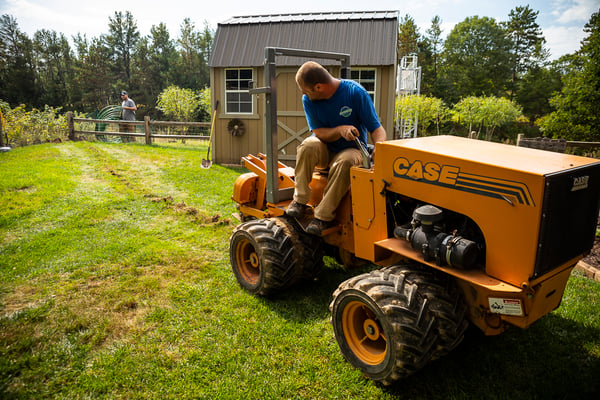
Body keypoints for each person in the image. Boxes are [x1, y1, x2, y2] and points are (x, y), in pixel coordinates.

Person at [286, 61, 387, 235]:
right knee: (307, 145)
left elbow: (376, 129)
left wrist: (379, 147)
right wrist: (340, 130)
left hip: (351, 149)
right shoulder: (308, 100)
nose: (303, 94)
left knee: (346, 161)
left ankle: (322, 217)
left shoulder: (355, 93)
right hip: (325, 147)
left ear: (319, 87)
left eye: (306, 90)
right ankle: (300, 200)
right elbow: (318, 132)